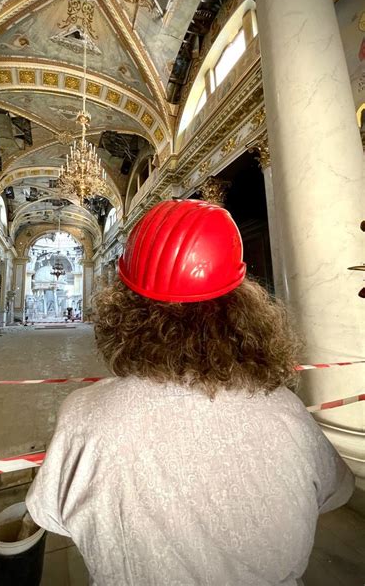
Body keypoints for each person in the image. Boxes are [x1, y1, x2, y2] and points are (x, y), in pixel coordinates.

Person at [26, 200, 354, 586]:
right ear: (242, 304)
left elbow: (49, 514)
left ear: (125, 308)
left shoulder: (87, 414)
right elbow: (335, 492)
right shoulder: (287, 410)